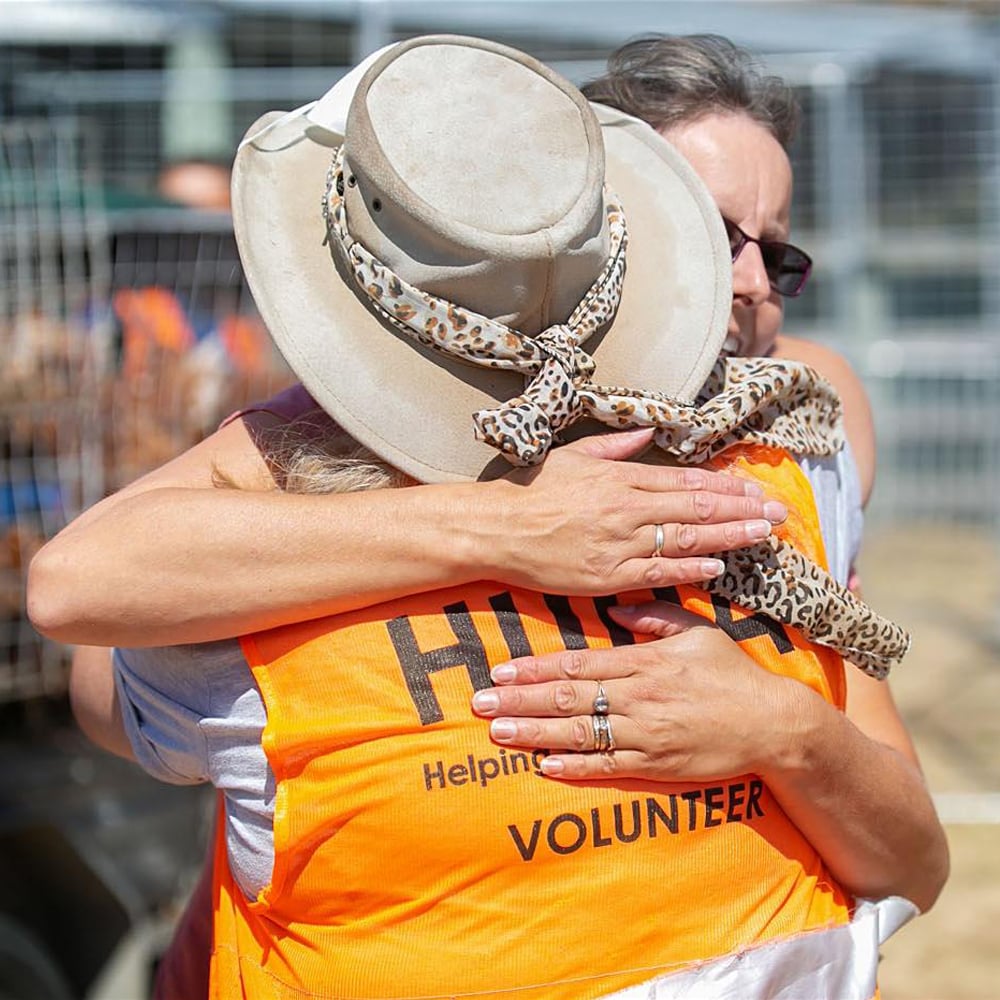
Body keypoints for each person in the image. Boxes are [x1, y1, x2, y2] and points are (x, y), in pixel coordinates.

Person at [27, 31, 947, 996]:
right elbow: (87, 601)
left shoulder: (789, 457)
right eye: (711, 237)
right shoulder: (299, 488)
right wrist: (504, 523)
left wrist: (780, 727)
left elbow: (910, 859)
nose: (753, 285)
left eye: (780, 252)